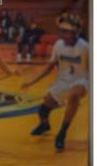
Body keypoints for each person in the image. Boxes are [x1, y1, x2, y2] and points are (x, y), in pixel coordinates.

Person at [22, 12, 89, 150]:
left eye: (67, 32)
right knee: (43, 110)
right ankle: (44, 125)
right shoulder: (58, 45)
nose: (64, 35)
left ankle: (62, 134)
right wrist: (32, 81)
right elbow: (49, 67)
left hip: (80, 80)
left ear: (75, 32)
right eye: (62, 31)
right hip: (62, 81)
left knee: (74, 96)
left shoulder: (85, 47)